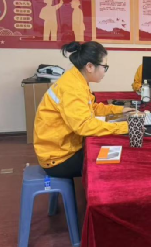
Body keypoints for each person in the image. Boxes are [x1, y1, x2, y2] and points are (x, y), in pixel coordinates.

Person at [34, 41, 135, 179]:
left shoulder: (77, 79)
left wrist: (120, 110)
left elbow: (91, 107)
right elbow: (84, 126)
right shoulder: (73, 88)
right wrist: (126, 127)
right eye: (104, 67)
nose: (105, 71)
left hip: (63, 147)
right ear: (90, 66)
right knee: (119, 159)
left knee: (112, 146)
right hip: (58, 159)